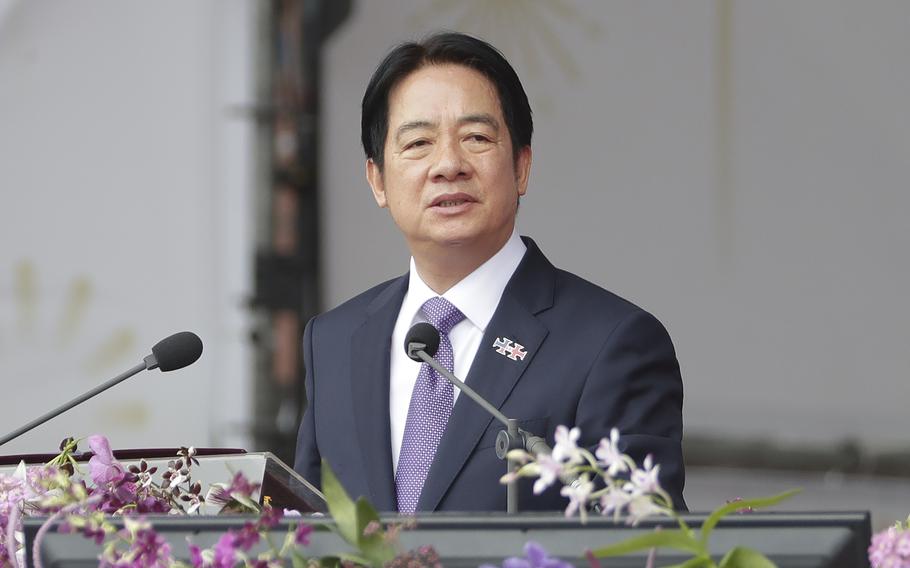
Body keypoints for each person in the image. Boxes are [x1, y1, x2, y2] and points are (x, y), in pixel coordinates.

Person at [294, 32, 685, 513]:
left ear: (522, 166)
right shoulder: (334, 341)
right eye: (418, 143)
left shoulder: (612, 344)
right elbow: (306, 531)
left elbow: (646, 546)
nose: (448, 165)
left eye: (476, 138)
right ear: (377, 179)